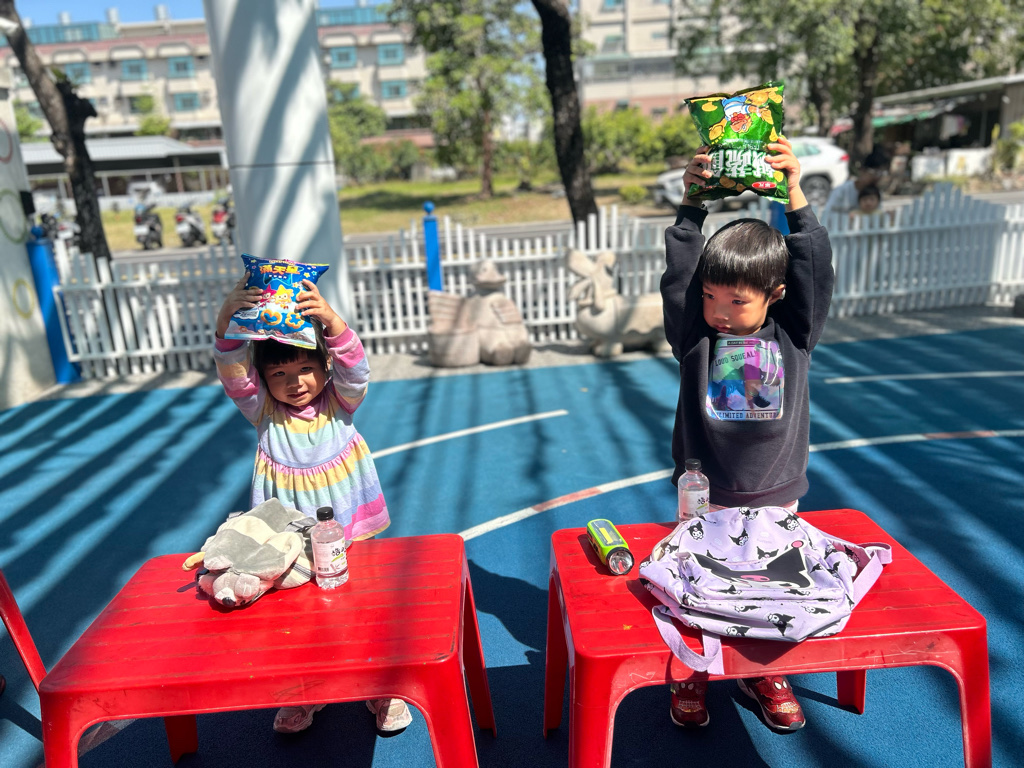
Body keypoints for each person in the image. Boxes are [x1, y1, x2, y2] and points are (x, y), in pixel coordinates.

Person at [659, 135, 835, 732]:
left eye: (736, 301)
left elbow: (814, 270)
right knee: (699, 583)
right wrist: (691, 208)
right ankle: (692, 668)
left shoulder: (795, 335)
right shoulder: (695, 338)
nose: (720, 311)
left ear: (774, 296)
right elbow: (680, 277)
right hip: (704, 491)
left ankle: (764, 672)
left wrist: (795, 197)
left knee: (771, 588)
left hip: (776, 494)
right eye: (711, 296)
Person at [214, 275, 412, 735]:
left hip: (350, 524)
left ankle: (381, 685)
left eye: (305, 368)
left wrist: (332, 321)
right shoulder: (263, 412)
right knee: (295, 612)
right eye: (278, 375)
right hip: (292, 535)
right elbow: (234, 375)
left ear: (325, 367)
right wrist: (226, 321)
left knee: (365, 601)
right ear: (264, 381)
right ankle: (304, 689)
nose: (295, 383)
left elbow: (356, 369)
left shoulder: (340, 402)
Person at [823, 150, 887, 216]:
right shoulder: (841, 191)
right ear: (862, 170)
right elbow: (827, 215)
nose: (877, 178)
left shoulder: (876, 194)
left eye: (882, 173)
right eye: (875, 173)